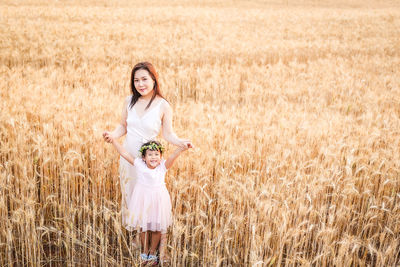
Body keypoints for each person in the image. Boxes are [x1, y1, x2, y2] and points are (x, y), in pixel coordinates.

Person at [102, 62, 192, 260]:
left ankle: (162, 249)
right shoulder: (129, 101)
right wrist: (112, 135)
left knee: (155, 204)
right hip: (129, 159)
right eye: (136, 80)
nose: (140, 84)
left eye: (144, 79)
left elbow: (168, 134)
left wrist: (180, 143)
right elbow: (122, 126)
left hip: (150, 161)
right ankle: (140, 243)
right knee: (133, 199)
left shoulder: (163, 105)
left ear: (154, 79)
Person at [109, 139, 189, 264]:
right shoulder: (140, 164)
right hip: (143, 199)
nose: (153, 157)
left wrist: (182, 148)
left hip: (158, 199)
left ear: (161, 156)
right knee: (143, 226)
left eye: (156, 154)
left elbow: (173, 156)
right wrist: (114, 141)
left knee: (157, 227)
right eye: (150, 155)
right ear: (144, 158)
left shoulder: (163, 166)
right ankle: (145, 252)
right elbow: (124, 154)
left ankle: (152, 252)